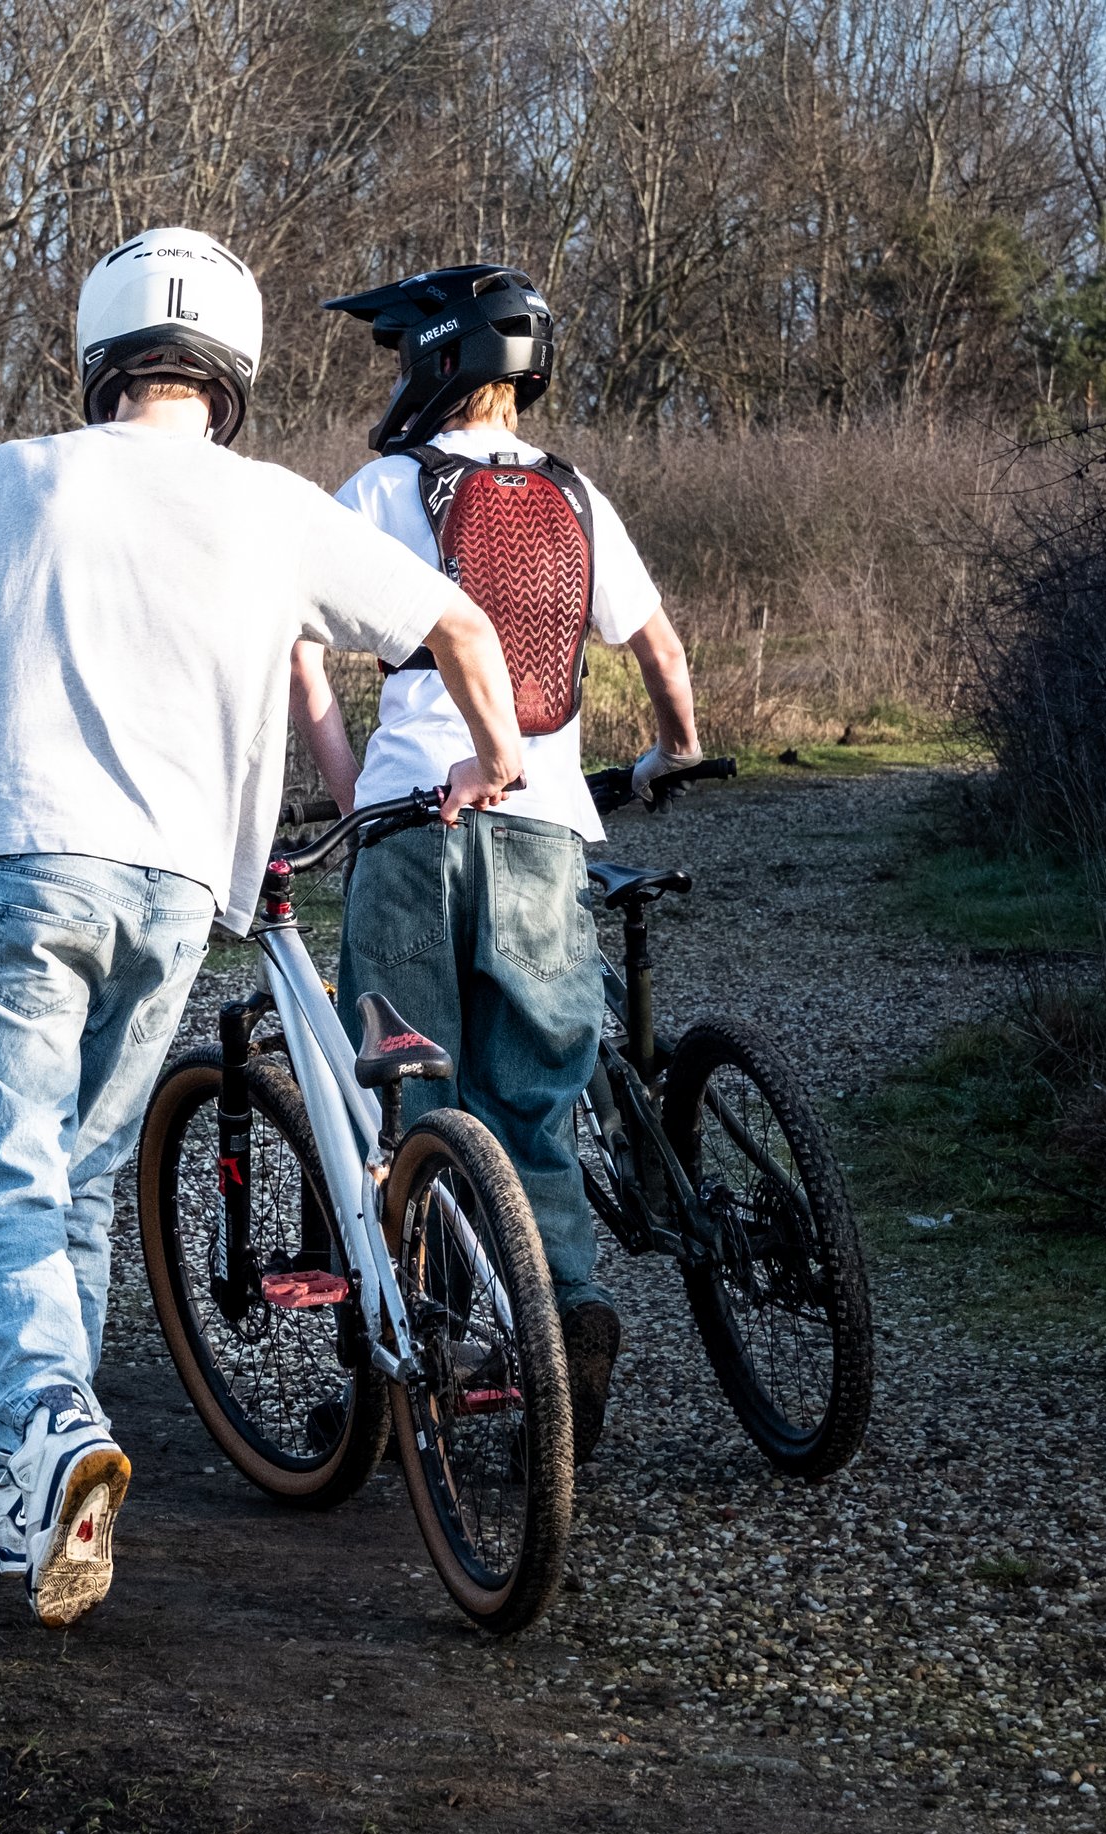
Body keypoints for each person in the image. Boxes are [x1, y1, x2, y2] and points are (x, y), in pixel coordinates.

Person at [0, 229, 529, 1627]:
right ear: (233, 367)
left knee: (8, 1177)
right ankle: (21, 1487)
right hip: (179, 894)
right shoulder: (274, 506)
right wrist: (488, 760)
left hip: (29, 860)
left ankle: (59, 1419)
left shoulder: (11, 477)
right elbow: (463, 628)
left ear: (102, 350)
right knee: (74, 1177)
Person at [309, 264, 704, 1463]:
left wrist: (350, 795)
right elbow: (659, 649)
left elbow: (295, 648)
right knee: (533, 1103)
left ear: (435, 360)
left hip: (411, 832)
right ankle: (569, 1329)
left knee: (403, 1097)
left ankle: (392, 1386)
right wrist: (672, 751)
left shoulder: (381, 489)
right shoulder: (580, 497)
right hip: (544, 830)